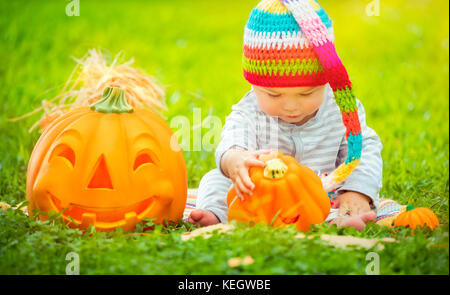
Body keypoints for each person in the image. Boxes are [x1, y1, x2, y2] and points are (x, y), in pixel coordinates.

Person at [188, 0, 382, 231]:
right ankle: (216, 214)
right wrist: (235, 160)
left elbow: (363, 150)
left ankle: (342, 216)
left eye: (306, 93)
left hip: (320, 191)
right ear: (254, 84)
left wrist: (357, 191)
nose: (291, 106)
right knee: (216, 179)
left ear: (326, 81)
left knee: (346, 191)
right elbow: (232, 143)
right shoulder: (249, 111)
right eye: (273, 95)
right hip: (260, 194)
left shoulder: (340, 110)